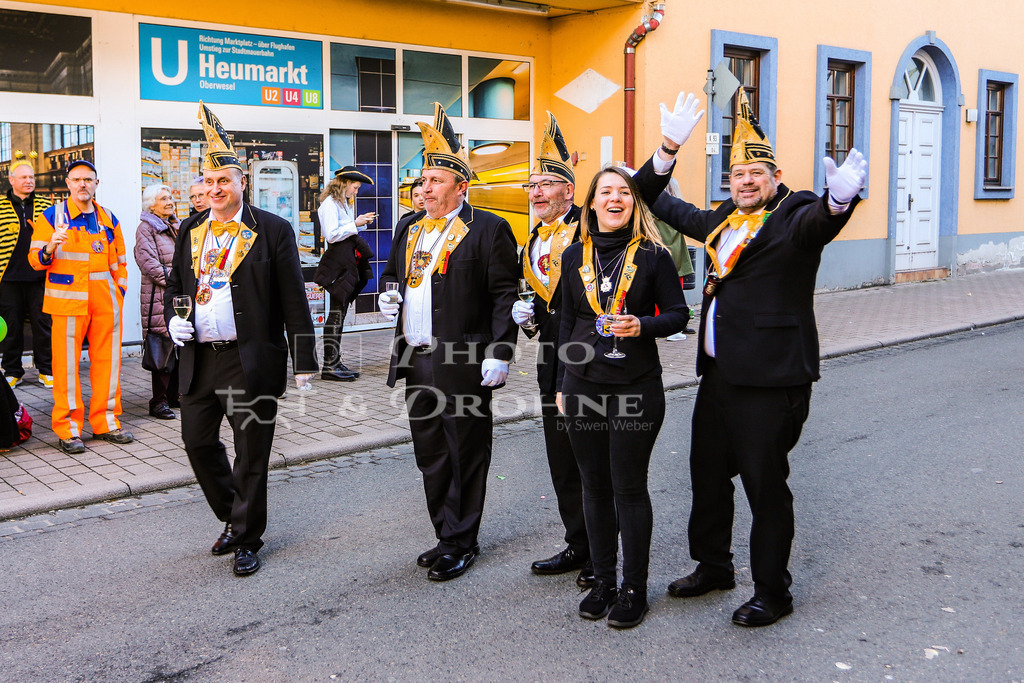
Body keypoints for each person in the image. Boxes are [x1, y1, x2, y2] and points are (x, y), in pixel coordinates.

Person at [634, 89, 867, 627]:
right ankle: (714, 565)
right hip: (717, 376)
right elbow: (651, 196)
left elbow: (821, 226)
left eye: (755, 174)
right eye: (737, 174)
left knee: (765, 486)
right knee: (707, 476)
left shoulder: (797, 213)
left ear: (775, 175)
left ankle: (773, 590)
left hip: (770, 379)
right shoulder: (721, 219)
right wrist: (668, 148)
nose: (744, 182)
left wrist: (838, 203)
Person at [165, 103, 318, 577]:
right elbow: (175, 286)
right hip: (200, 358)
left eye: (223, 181)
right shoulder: (191, 228)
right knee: (197, 444)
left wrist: (306, 360)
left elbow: (294, 299)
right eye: (209, 183)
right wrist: (174, 321)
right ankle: (234, 515)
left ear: (241, 182)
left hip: (249, 360)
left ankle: (248, 535)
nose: (215, 190)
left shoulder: (272, 230)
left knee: (251, 453)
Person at [379, 102, 518, 582]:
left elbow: (504, 294)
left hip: (463, 358)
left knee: (466, 449)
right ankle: (444, 533)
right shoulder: (409, 227)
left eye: (434, 180)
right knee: (430, 451)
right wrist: (388, 291)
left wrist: (501, 351)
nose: (424, 188)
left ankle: (463, 540)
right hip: (416, 357)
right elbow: (396, 275)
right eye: (422, 181)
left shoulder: (489, 229)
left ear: (461, 186)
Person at [555, 165, 689, 629]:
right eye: (605, 192)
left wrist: (642, 325)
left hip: (635, 387)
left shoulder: (654, 254)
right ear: (591, 203)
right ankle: (604, 581)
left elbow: (677, 314)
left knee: (628, 488)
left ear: (634, 202)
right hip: (582, 386)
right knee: (594, 486)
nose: (615, 199)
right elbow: (566, 323)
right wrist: (559, 385)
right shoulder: (574, 256)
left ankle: (634, 588)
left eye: (624, 192)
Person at [510, 113, 592, 587]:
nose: (537, 192)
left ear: (569, 190)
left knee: (592, 462)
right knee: (561, 459)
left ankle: (604, 552)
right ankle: (577, 543)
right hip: (550, 363)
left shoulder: (590, 227)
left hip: (588, 364)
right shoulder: (534, 238)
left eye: (547, 184)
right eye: (532, 185)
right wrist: (532, 319)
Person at [29, 159, 132, 455]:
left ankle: (106, 422)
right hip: (67, 301)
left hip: (105, 300)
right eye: (77, 180)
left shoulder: (108, 218)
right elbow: (35, 260)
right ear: (68, 184)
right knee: (65, 368)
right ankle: (68, 428)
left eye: (88, 179)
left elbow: (120, 261)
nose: (83, 184)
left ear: (96, 184)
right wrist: (50, 245)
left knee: (109, 364)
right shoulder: (51, 217)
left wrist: (118, 291)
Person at [313, 166, 376, 381]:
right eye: (355, 187)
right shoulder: (330, 204)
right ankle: (330, 365)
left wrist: (360, 222)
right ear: (345, 184)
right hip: (338, 263)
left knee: (339, 312)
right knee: (336, 313)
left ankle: (334, 362)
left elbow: (346, 229)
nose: (356, 192)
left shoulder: (342, 203)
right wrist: (355, 223)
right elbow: (332, 235)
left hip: (345, 261)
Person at [0, 152, 53, 389]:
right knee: (11, 326)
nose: (29, 181)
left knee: (43, 324)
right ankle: (12, 370)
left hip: (39, 276)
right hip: (8, 278)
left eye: (31, 177)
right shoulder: (0, 205)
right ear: (11, 180)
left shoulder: (45, 205)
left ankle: (46, 369)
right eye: (23, 177)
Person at [134, 183, 180, 419]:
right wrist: (179, 279)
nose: (169, 201)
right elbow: (149, 265)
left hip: (177, 296)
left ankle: (175, 396)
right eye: (163, 199)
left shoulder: (176, 225)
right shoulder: (146, 228)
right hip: (159, 297)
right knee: (161, 349)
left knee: (179, 345)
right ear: (151, 205)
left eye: (170, 197)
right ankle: (158, 402)